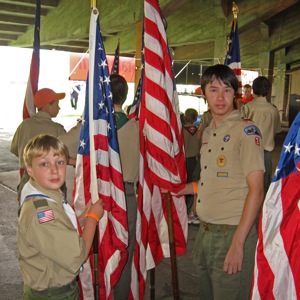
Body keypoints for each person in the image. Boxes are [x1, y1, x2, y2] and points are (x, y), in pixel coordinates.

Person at [172, 64, 265, 299]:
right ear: (204, 93)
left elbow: (256, 190)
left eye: (227, 89)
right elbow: (211, 179)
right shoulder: (209, 132)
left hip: (231, 234)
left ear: (235, 94)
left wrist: (238, 243)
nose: (220, 97)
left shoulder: (246, 131)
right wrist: (185, 189)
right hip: (205, 234)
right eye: (213, 90)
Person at [17, 134, 104, 299]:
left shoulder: (46, 194)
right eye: (44, 164)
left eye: (60, 162)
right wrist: (93, 217)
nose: (54, 170)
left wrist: (80, 220)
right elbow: (77, 256)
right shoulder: (41, 213)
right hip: (54, 295)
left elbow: (54, 234)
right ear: (29, 169)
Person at [110, 74, 139, 300]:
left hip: (101, 196)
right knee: (124, 251)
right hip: (127, 195)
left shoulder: (95, 128)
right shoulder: (137, 129)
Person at [10, 88, 67, 198]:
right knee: (54, 212)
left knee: (27, 210)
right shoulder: (57, 129)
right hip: (51, 179)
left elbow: (15, 149)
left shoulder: (24, 125)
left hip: (28, 178)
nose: (59, 108)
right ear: (47, 106)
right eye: (56, 104)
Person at [242, 76, 281, 196]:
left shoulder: (247, 107)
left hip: (249, 150)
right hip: (266, 151)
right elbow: (276, 131)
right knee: (265, 181)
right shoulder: (273, 110)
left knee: (247, 179)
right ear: (268, 90)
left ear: (253, 89)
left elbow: (241, 129)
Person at [182, 108, 201, 224]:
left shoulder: (182, 130)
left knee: (186, 185)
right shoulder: (198, 130)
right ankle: (191, 210)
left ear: (185, 117)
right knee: (195, 185)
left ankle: (185, 210)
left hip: (185, 160)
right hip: (196, 159)